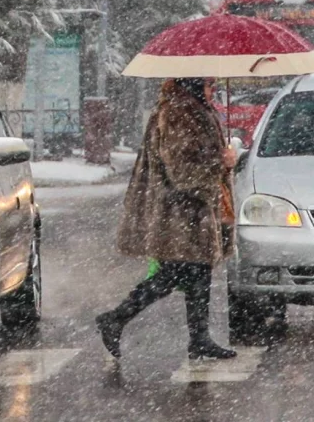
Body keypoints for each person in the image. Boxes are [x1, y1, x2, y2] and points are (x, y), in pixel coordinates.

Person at [95, 78, 239, 361]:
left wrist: (223, 161)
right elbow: (182, 170)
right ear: (194, 84)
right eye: (209, 83)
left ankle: (198, 338)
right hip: (179, 212)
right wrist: (219, 164)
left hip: (192, 212)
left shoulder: (195, 108)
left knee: (196, 273)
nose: (214, 87)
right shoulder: (179, 112)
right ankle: (115, 318)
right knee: (175, 274)